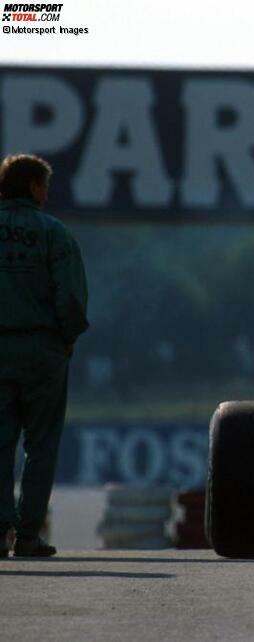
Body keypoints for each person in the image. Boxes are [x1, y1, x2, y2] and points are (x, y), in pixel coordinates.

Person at [0, 154, 88, 558]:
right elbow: (70, 296)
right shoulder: (54, 233)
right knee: (41, 446)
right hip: (41, 352)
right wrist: (67, 337)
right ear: (34, 187)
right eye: (45, 186)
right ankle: (28, 535)